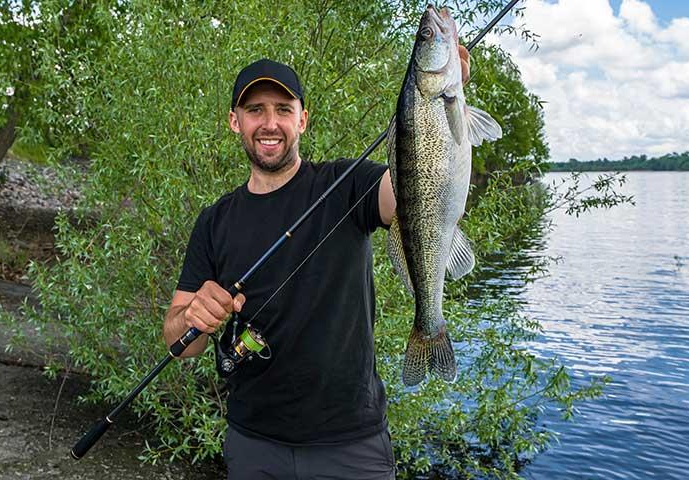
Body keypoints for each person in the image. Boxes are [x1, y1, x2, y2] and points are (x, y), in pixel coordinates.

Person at [163, 50, 470, 480]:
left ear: (302, 120)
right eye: (255, 110)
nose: (270, 123)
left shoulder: (347, 185)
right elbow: (180, 342)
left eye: (283, 110)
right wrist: (191, 317)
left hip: (351, 445)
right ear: (235, 121)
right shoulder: (215, 221)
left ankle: (430, 324)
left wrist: (433, 111)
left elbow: (411, 191)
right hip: (254, 445)